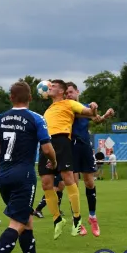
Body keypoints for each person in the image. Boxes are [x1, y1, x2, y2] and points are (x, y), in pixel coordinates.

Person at [0, 81, 57, 253]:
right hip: (24, 176)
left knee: (25, 220)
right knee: (17, 223)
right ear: (31, 98)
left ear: (10, 98)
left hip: (4, 176)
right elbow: (47, 148)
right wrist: (54, 162)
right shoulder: (36, 118)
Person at [37, 79, 99, 239]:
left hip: (62, 141)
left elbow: (89, 113)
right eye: (49, 86)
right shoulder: (48, 109)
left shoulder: (69, 104)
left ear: (61, 92)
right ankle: (57, 219)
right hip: (46, 143)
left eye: (54, 86)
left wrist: (93, 107)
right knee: (46, 183)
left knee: (68, 178)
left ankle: (77, 219)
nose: (50, 88)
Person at [65, 82, 114, 237]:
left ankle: (92, 217)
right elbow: (87, 114)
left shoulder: (85, 106)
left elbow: (95, 119)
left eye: (71, 92)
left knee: (89, 182)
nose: (68, 95)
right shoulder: (67, 108)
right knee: (74, 185)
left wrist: (105, 115)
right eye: (66, 93)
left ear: (77, 92)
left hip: (85, 147)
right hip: (71, 147)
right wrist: (93, 110)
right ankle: (77, 221)